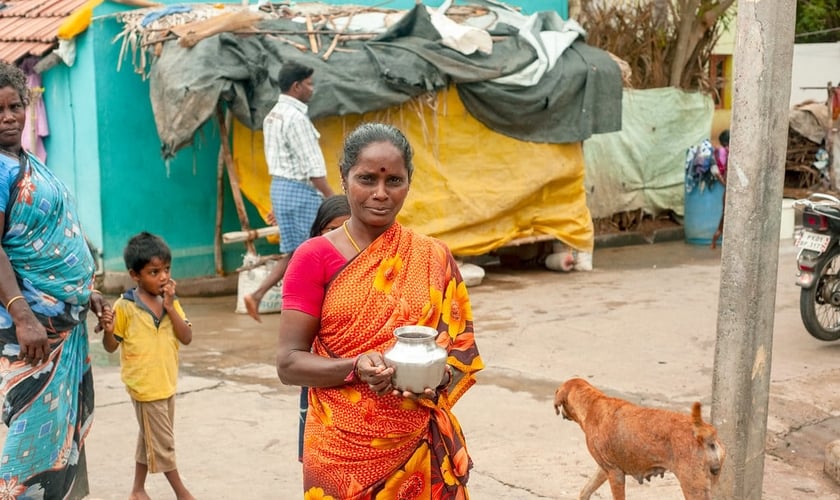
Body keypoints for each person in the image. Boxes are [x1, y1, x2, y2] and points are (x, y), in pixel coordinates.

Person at [276, 122, 483, 498]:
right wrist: (354, 367)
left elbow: (459, 351)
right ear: (344, 178)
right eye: (367, 179)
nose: (381, 194)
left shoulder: (433, 256)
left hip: (417, 442)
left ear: (408, 182)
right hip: (342, 453)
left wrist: (434, 377)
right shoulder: (314, 258)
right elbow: (289, 363)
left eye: (395, 181)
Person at [0, 61, 108, 499]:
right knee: (30, 435)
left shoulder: (27, 163)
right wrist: (22, 314)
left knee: (58, 437)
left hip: (63, 326)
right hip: (31, 331)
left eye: (15, 106)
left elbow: (58, 236)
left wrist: (88, 292)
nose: (8, 117)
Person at [99, 232, 195, 500]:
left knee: (149, 438)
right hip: (144, 386)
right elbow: (111, 345)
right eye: (154, 272)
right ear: (135, 275)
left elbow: (186, 337)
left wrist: (171, 307)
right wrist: (108, 330)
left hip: (166, 382)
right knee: (163, 444)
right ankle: (182, 493)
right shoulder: (125, 307)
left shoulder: (170, 302)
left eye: (166, 269)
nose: (163, 277)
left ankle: (137, 490)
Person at [244, 61, 334, 322]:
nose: (312, 89)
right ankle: (307, 306)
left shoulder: (273, 115)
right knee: (315, 250)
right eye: (309, 84)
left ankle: (262, 296)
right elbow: (312, 167)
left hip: (283, 189)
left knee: (298, 252)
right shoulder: (295, 118)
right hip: (300, 192)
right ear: (296, 86)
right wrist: (334, 198)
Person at [295, 194, 351, 463]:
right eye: (333, 230)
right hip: (321, 369)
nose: (342, 236)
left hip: (366, 375)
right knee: (321, 454)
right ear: (318, 232)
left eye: (348, 228)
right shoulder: (313, 262)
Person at [711, 129, 730, 249]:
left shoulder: (724, 153)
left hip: (728, 191)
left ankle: (714, 241)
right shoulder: (728, 154)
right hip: (729, 192)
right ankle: (714, 240)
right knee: (725, 217)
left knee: (725, 216)